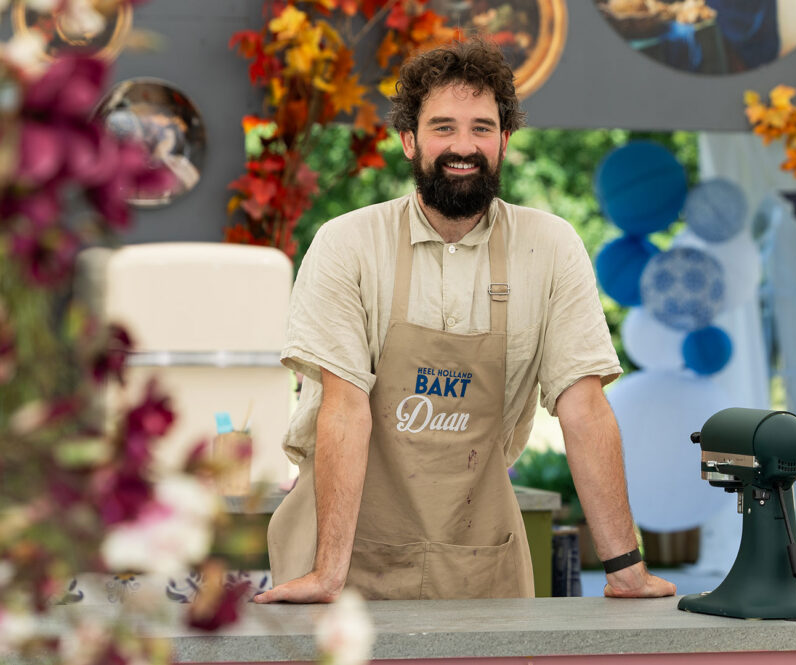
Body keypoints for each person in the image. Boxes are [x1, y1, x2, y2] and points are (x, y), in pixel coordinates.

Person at [255, 39, 676, 603]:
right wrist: (329, 571)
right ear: (409, 141)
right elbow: (344, 407)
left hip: (478, 555)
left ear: (504, 141)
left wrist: (625, 566)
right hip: (343, 553)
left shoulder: (550, 247)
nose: (464, 146)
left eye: (482, 128)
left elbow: (584, 407)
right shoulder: (347, 244)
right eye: (443, 127)